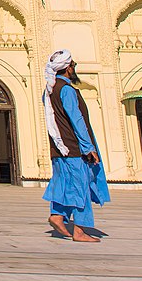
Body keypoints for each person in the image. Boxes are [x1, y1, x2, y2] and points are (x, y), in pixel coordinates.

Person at [42, 49, 110, 242]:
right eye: (73, 65)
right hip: (73, 147)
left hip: (58, 147)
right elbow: (77, 120)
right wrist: (88, 147)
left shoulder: (49, 91)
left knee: (64, 183)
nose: (74, 68)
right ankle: (79, 230)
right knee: (81, 186)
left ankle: (57, 215)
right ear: (68, 68)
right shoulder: (66, 90)